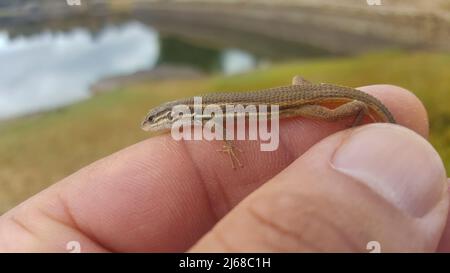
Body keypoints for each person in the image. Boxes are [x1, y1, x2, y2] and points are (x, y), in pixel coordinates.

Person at [0, 85, 448, 252]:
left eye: (157, 119)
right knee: (318, 112)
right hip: (276, 102)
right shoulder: (198, 114)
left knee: (327, 115)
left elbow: (227, 128)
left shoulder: (200, 113)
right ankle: (362, 111)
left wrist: (232, 152)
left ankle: (358, 110)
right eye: (157, 119)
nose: (153, 126)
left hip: (283, 107)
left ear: (173, 114)